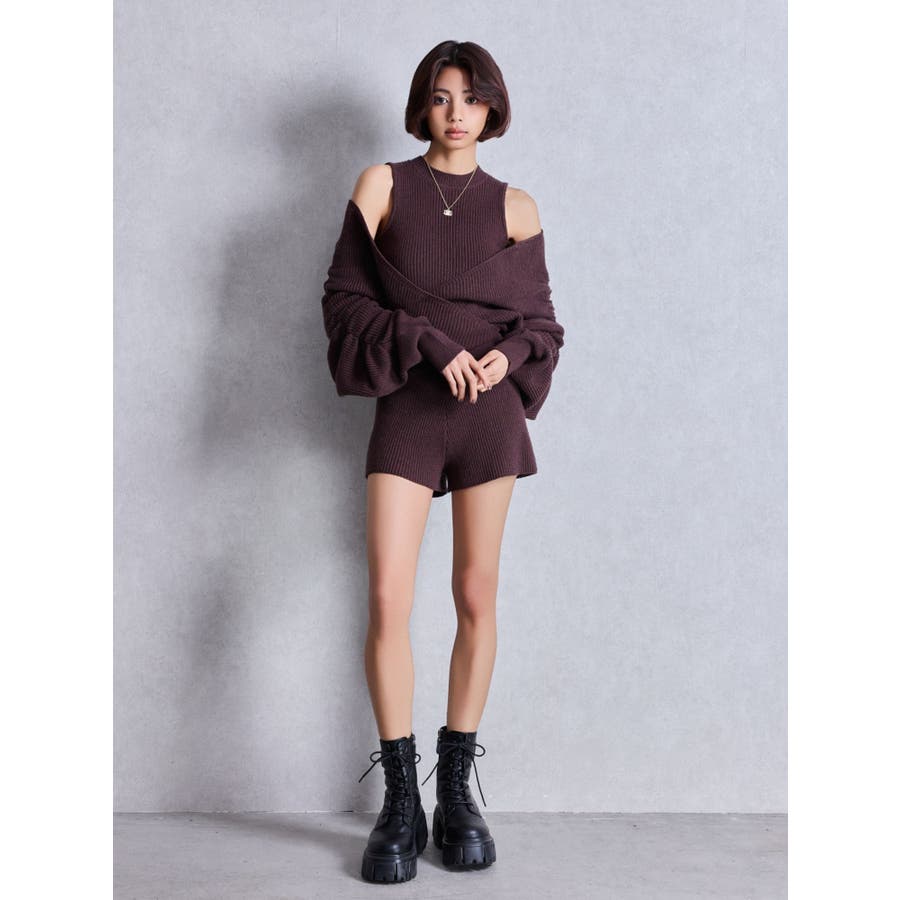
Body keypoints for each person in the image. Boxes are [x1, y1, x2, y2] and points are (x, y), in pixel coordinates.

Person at [321, 40, 563, 884]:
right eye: (440, 96)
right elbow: (344, 301)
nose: (456, 112)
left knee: (475, 592)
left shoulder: (518, 207)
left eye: (471, 97)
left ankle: (455, 792)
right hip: (411, 409)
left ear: (493, 107)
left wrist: (508, 355)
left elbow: (542, 324)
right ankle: (400, 800)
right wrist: (428, 342)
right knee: (388, 595)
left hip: (486, 416)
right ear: (421, 106)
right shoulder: (382, 186)